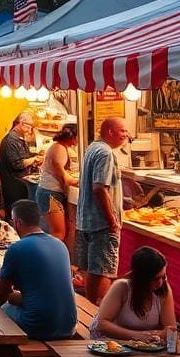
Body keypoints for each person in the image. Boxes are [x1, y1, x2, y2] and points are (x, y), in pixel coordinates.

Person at [0, 200, 78, 340]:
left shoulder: (17, 248)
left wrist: (13, 293)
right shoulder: (60, 245)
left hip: (37, 326)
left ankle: (2, 355)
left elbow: (0, 288)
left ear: (17, 222)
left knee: (1, 310)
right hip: (69, 326)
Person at [76, 116, 128, 303]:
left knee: (92, 270)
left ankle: (90, 311)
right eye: (123, 131)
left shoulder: (92, 147)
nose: (126, 135)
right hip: (101, 224)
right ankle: (100, 314)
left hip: (86, 220)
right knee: (104, 271)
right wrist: (112, 220)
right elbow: (99, 188)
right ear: (110, 131)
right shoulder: (105, 153)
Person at [90, 246, 176, 341]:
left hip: (146, 345)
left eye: (164, 277)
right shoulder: (121, 287)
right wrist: (137, 336)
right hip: (114, 342)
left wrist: (153, 336)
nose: (161, 282)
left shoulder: (164, 290)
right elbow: (102, 324)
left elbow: (171, 330)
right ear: (141, 278)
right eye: (155, 279)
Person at [35, 123, 78, 243]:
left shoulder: (59, 147)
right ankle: (50, 260)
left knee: (60, 232)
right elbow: (65, 178)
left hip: (50, 192)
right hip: (50, 193)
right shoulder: (59, 149)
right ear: (72, 137)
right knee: (58, 234)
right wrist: (81, 181)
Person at [0, 112, 41, 215]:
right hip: (14, 185)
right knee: (16, 213)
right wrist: (34, 159)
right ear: (21, 123)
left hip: (20, 183)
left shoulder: (20, 139)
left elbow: (24, 157)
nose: (30, 130)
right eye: (29, 126)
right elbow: (18, 164)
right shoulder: (10, 140)